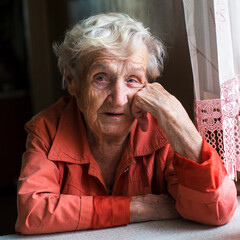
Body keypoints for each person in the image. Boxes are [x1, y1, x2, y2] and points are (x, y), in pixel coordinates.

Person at [15, 12, 237, 235]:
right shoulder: (47, 128)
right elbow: (32, 213)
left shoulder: (161, 129)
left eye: (132, 80)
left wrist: (178, 121)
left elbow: (217, 210)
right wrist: (135, 208)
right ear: (73, 82)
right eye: (101, 78)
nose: (119, 98)